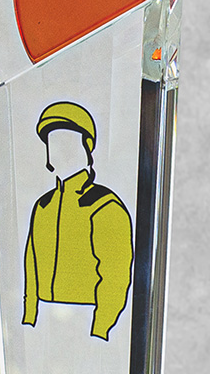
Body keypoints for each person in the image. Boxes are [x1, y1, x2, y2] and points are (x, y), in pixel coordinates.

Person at [22, 102, 133, 341]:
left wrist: (100, 328)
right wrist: (29, 318)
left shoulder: (103, 205)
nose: (57, 149)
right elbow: (31, 264)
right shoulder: (42, 206)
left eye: (66, 140)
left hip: (88, 319)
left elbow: (115, 274)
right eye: (52, 141)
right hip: (44, 322)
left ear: (86, 146)